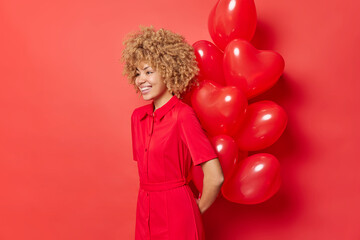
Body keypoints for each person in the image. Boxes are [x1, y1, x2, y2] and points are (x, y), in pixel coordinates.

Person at [121, 26, 224, 240]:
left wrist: (194, 211)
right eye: (138, 73)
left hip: (178, 212)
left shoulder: (183, 115)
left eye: (149, 72)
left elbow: (215, 177)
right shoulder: (137, 118)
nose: (141, 80)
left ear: (169, 70)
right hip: (145, 211)